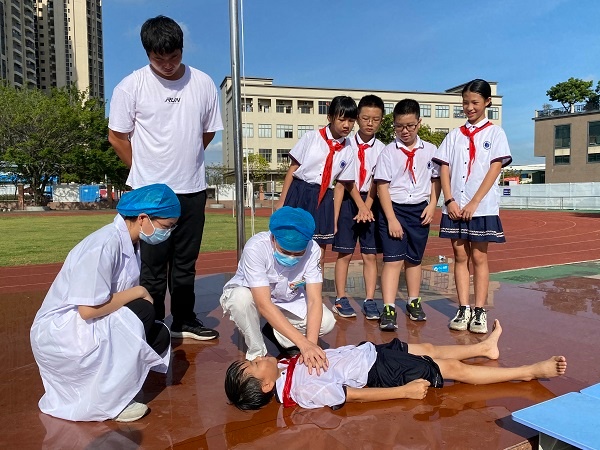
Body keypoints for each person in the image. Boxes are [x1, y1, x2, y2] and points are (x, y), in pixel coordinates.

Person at [108, 15, 223, 341]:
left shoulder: (203, 83)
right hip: (150, 195)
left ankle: (184, 319)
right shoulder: (131, 86)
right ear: (147, 54)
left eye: (174, 56)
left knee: (186, 262)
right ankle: (152, 320)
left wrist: (184, 161)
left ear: (182, 49)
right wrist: (143, 172)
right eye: (160, 59)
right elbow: (117, 136)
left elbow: (207, 132)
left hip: (192, 189)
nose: (169, 65)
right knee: (152, 264)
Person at [30, 184, 180, 422]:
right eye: (166, 226)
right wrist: (139, 291)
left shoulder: (131, 244)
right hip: (63, 333)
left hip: (91, 324)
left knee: (159, 335)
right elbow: (88, 310)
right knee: (142, 311)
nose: (168, 233)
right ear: (143, 218)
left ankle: (116, 387)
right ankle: (111, 402)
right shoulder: (103, 245)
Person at [224, 320, 567, 410]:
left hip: (370, 354)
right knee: (451, 371)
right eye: (252, 366)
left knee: (428, 348)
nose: (255, 358)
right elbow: (351, 395)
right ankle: (530, 371)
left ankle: (484, 347)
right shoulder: (302, 390)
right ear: (266, 385)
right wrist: (403, 392)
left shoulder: (283, 369)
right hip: (379, 372)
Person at [432, 79, 512, 334]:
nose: (469, 107)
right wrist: (449, 200)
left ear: (487, 102)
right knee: (459, 256)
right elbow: (444, 168)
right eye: (465, 102)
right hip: (455, 206)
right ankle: (463, 307)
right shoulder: (454, 135)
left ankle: (479, 310)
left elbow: (495, 168)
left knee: (479, 256)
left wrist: (474, 202)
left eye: (475, 102)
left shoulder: (495, 134)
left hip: (482, 207)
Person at [220, 206, 334, 373]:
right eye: (285, 251)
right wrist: (303, 344)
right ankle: (258, 352)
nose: (291, 257)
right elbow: (263, 304)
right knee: (240, 298)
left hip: (287, 299)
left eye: (298, 254)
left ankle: (276, 333)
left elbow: (315, 300)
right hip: (254, 298)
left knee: (327, 322)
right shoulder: (256, 248)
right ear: (273, 238)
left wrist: (311, 344)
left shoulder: (313, 249)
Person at [374, 99, 441, 331]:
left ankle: (413, 302)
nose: (405, 131)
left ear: (419, 123)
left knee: (414, 260)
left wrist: (432, 205)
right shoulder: (388, 152)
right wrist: (391, 219)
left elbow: (436, 180)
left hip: (419, 210)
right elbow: (382, 186)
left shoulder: (431, 151)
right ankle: (389, 308)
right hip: (394, 209)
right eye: (399, 126)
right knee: (393, 260)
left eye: (410, 126)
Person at [276, 96, 358, 272]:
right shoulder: (311, 138)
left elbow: (340, 186)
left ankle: (313, 287)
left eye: (351, 121)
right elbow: (293, 169)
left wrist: (334, 219)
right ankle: (287, 286)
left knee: (318, 253)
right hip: (300, 192)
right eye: (342, 119)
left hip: (324, 197)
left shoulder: (349, 150)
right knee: (291, 245)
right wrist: (282, 202)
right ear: (330, 117)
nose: (347, 125)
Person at [332, 95, 386, 320]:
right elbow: (343, 181)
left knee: (370, 255)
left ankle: (369, 299)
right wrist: (357, 207)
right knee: (344, 252)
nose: (370, 123)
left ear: (381, 120)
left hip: (372, 201)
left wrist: (367, 207)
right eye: (365, 118)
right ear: (357, 118)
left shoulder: (383, 149)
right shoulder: (345, 145)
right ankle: (340, 298)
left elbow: (378, 181)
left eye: (375, 119)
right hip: (348, 199)